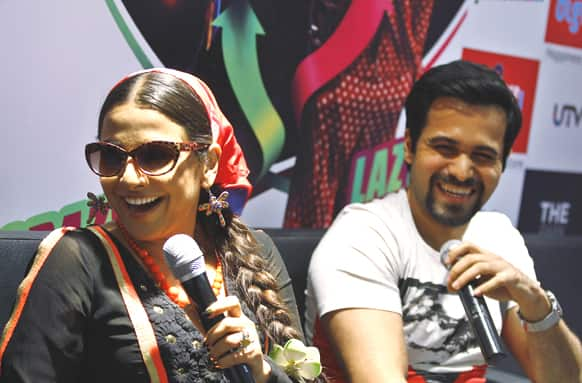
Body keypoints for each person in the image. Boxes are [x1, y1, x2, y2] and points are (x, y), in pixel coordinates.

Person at [0, 68, 307, 383]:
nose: (129, 179)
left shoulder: (256, 252)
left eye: (156, 155)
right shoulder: (78, 259)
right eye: (111, 156)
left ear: (209, 165)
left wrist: (262, 370)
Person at [304, 60, 582, 382]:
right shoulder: (363, 235)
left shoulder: (499, 236)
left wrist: (535, 303)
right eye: (445, 148)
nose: (461, 171)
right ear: (409, 147)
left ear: (502, 165)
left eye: (482, 156)